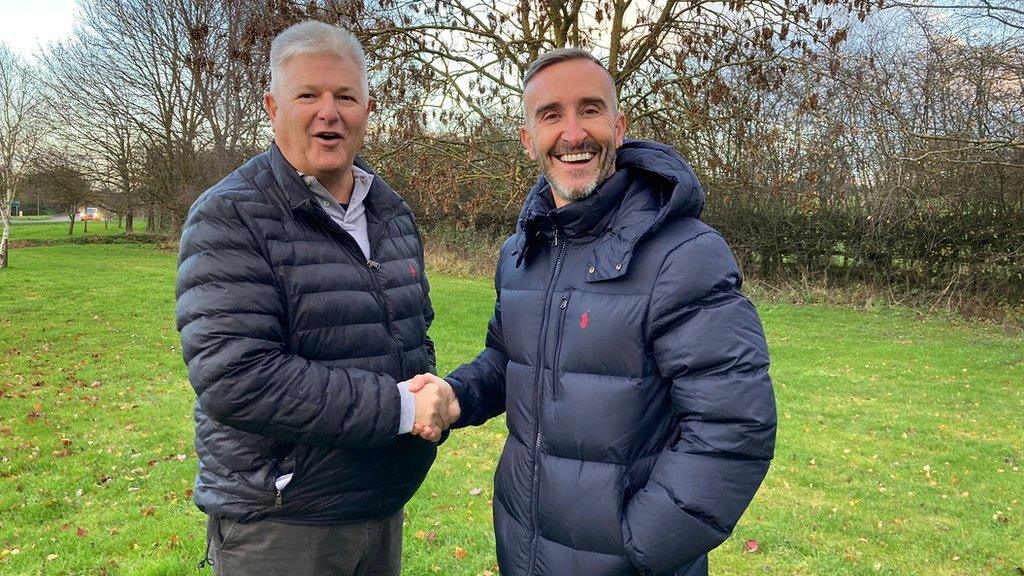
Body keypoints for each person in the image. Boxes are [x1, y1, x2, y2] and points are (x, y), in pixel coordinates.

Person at [411, 48, 777, 576]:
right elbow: (508, 358)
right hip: (525, 550)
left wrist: (640, 547)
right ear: (528, 138)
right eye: (551, 115)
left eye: (590, 109)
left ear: (619, 125)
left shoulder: (684, 254)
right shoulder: (521, 253)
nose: (573, 132)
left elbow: (734, 424)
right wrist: (456, 396)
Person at [175, 20, 456, 576]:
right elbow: (238, 378)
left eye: (345, 96)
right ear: (272, 106)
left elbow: (410, 334)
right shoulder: (230, 216)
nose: (329, 111)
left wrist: (433, 393)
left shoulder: (391, 212)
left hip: (379, 507)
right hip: (284, 523)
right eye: (308, 94)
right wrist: (402, 408)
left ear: (366, 110)